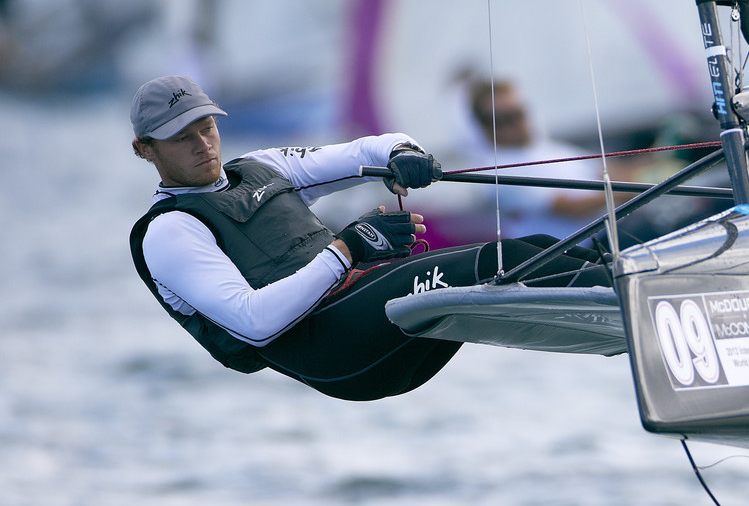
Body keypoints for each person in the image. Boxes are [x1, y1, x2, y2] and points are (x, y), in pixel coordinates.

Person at [129, 75, 606, 401]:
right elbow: (254, 323)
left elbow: (362, 151)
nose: (203, 145)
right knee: (493, 263)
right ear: (144, 150)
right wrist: (349, 248)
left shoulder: (264, 167)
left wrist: (402, 151)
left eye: (206, 127)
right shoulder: (169, 231)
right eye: (180, 138)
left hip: (363, 313)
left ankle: (625, 279)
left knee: (528, 252)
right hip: (329, 351)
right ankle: (626, 293)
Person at [456, 76, 609, 237]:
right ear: (485, 128)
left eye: (518, 113)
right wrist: (630, 192)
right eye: (504, 119)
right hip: (581, 252)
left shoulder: (547, 147)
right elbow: (572, 208)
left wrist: (636, 174)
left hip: (611, 229)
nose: (516, 123)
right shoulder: (495, 173)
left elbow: (606, 171)